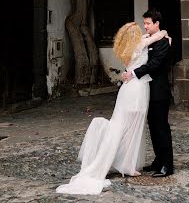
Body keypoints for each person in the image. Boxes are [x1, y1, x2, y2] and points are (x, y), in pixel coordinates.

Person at [55, 21, 169, 195]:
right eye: (139, 30)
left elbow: (148, 38)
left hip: (127, 89)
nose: (143, 31)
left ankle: (125, 163)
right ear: (134, 36)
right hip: (137, 90)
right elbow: (158, 35)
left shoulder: (128, 48)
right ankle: (127, 165)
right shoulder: (140, 44)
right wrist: (165, 33)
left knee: (123, 125)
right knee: (133, 127)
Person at [122, 9, 174, 177]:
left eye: (148, 23)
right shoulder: (148, 40)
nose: (145, 27)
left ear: (157, 24)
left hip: (159, 91)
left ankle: (167, 165)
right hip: (145, 91)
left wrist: (134, 73)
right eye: (144, 23)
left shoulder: (163, 42)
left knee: (161, 128)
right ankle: (158, 161)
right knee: (153, 127)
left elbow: (155, 64)